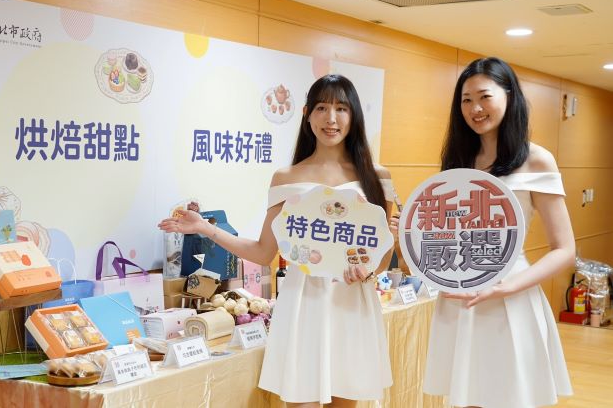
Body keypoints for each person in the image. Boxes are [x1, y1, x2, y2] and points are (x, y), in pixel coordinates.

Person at [158, 74, 396, 407]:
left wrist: (370, 266)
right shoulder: (287, 178)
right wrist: (205, 228)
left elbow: (380, 260)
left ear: (353, 115)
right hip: (303, 304)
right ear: (307, 114)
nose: (331, 118)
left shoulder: (376, 176)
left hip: (351, 302)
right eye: (322, 108)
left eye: (341, 109)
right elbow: (262, 252)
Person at [422, 57, 574, 407]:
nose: (475, 108)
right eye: (466, 100)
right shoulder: (458, 161)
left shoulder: (536, 159)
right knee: (465, 397)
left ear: (510, 95)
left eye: (484, 97)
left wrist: (506, 287)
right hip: (462, 296)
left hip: (511, 295)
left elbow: (564, 249)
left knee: (510, 396)